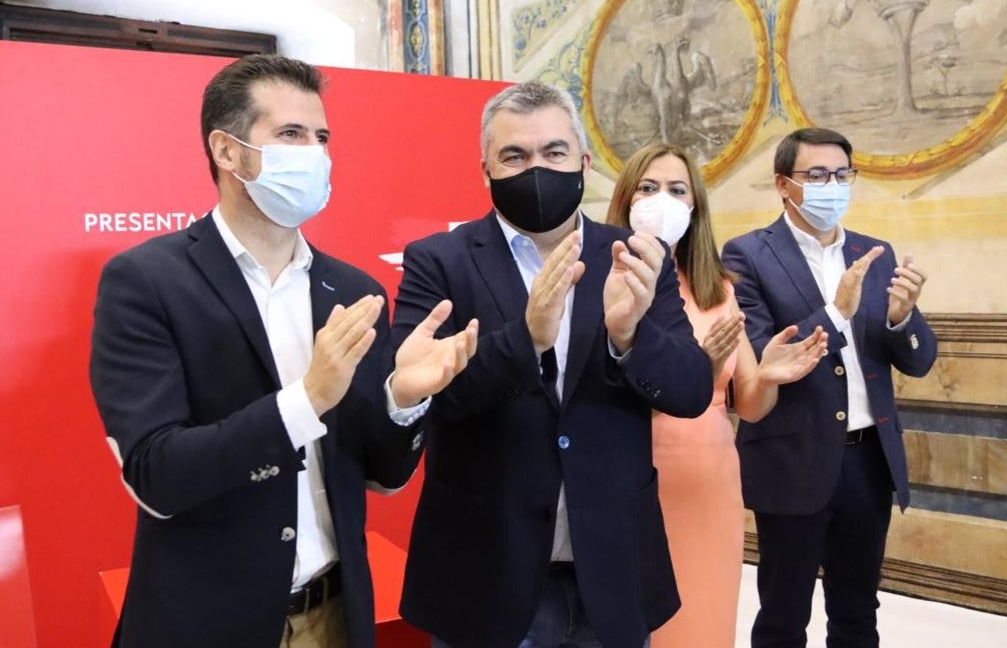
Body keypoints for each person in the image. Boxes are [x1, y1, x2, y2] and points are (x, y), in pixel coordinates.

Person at [89, 55, 478, 648]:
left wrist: (402, 398)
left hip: (333, 617)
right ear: (227, 150)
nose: (315, 153)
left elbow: (380, 474)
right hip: (204, 621)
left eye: (321, 136)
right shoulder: (146, 282)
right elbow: (157, 474)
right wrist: (305, 400)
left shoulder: (354, 291)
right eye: (291, 134)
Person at [392, 82, 713, 648]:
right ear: (485, 170)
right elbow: (424, 396)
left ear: (583, 162)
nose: (536, 168)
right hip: (484, 575)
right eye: (514, 156)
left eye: (554, 152)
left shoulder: (637, 257)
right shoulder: (437, 261)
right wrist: (525, 339)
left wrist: (628, 335)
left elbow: (689, 391)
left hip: (612, 570)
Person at [604, 143, 828, 647]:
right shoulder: (603, 278)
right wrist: (691, 369)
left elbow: (746, 402)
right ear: (626, 199)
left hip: (710, 481)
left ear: (695, 207)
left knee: (703, 616)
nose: (663, 199)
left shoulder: (718, 287)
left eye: (677, 190)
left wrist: (768, 376)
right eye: (649, 187)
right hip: (631, 469)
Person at [721, 127, 938, 648]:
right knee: (783, 614)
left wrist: (901, 318)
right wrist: (837, 312)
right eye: (816, 175)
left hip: (868, 462)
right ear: (783, 184)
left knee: (858, 611)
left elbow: (920, 361)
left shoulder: (875, 252)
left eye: (842, 175)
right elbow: (760, 351)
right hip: (792, 456)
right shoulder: (747, 254)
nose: (832, 185)